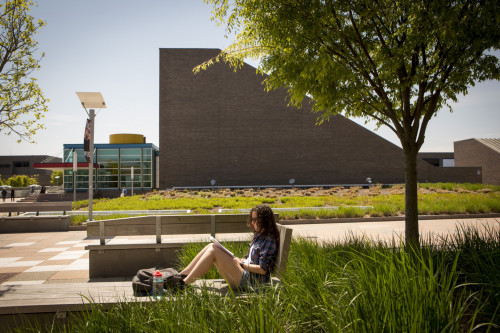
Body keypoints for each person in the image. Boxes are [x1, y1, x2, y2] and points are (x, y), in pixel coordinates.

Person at [174, 204, 280, 291]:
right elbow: (251, 260)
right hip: (246, 275)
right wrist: (240, 260)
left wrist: (242, 264)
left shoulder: (268, 240)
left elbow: (263, 269)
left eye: (255, 219)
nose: (252, 222)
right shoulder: (259, 237)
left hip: (252, 282)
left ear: (264, 221)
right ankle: (182, 275)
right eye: (252, 219)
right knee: (212, 245)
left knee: (214, 251)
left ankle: (182, 285)